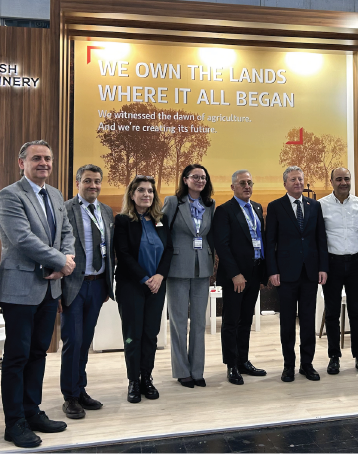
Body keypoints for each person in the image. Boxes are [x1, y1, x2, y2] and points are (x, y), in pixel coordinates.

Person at [0, 140, 75, 448]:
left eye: (48, 158)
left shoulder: (54, 194)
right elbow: (22, 239)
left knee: (39, 352)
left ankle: (31, 411)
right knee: (17, 356)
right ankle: (14, 422)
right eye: (37, 158)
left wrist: (66, 260)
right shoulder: (10, 195)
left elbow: (66, 232)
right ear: (22, 163)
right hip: (20, 288)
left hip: (49, 288)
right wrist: (60, 261)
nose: (44, 163)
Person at [59, 164, 115, 419]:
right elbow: (57, 247)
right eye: (88, 181)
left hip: (98, 284)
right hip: (73, 285)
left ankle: (80, 389)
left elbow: (109, 249)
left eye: (97, 181)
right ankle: (70, 397)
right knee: (73, 341)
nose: (93, 185)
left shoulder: (106, 211)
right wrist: (58, 290)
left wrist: (107, 284)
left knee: (85, 341)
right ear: (78, 183)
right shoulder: (65, 209)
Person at [266, 166, 329, 382]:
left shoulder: (314, 205)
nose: (298, 183)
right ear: (285, 183)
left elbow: (321, 239)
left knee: (308, 321)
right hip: (285, 274)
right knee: (287, 322)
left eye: (300, 179)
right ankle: (288, 365)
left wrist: (323, 267)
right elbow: (270, 242)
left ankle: (307, 364)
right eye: (293, 179)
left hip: (310, 273)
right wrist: (273, 270)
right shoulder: (276, 207)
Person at [113, 176, 173, 404]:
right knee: (133, 335)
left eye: (150, 191)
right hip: (132, 286)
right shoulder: (122, 221)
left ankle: (147, 378)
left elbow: (169, 250)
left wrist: (159, 276)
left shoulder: (161, 219)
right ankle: (133, 382)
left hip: (157, 286)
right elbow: (123, 254)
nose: (146, 194)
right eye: (141, 190)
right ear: (132, 194)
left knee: (150, 334)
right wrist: (145, 278)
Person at [212, 170, 269, 385]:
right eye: (242, 183)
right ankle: (231, 365)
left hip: (254, 273)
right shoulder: (224, 211)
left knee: (246, 320)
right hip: (236, 276)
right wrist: (235, 274)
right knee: (231, 321)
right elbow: (222, 246)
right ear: (233, 187)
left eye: (250, 183)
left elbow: (260, 240)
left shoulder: (256, 208)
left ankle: (243, 361)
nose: (247, 186)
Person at [162, 164, 216, 389]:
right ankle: (182, 371)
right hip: (177, 268)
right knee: (178, 322)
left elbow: (210, 236)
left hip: (202, 268)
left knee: (199, 322)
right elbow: (163, 232)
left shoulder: (210, 204)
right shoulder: (173, 202)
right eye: (195, 177)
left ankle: (197, 370)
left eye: (203, 177)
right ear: (185, 179)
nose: (200, 180)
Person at [319, 168, 358, 376]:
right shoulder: (321, 205)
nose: (343, 182)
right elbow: (318, 239)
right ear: (331, 181)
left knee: (356, 312)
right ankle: (334, 357)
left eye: (346, 179)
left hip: (357, 263)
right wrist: (321, 267)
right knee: (332, 313)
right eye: (339, 179)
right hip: (332, 264)